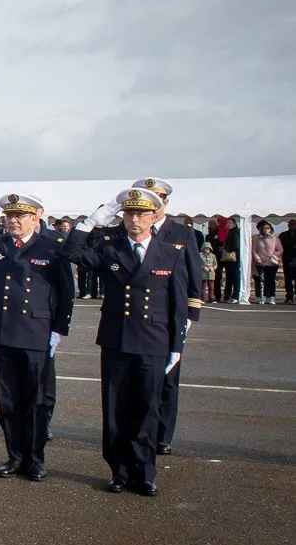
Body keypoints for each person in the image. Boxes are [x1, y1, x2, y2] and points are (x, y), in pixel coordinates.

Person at [63, 188, 190, 496]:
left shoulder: (171, 251)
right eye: (129, 213)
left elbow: (178, 302)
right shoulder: (111, 249)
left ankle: (145, 472)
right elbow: (71, 253)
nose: (135, 219)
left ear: (154, 216)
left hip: (153, 341)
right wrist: (91, 222)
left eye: (141, 214)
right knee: (116, 410)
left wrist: (177, 346)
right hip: (117, 340)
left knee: (147, 409)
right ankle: (118, 471)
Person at [0, 194, 74, 482]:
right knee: (7, 400)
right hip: (3, 329)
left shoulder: (51, 246)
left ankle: (35, 459)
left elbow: (66, 291)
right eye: (9, 216)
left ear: (36, 218)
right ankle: (14, 456)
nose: (14, 221)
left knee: (35, 399)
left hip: (35, 332)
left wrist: (59, 328)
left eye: (21, 216)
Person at [133, 179, 205, 455]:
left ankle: (162, 434)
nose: (156, 204)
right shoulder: (131, 228)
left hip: (170, 314)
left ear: (165, 203)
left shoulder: (181, 233)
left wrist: (190, 314)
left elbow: (193, 272)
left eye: (159, 200)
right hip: (138, 317)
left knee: (168, 378)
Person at [252, 220, 281, 304]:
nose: (266, 230)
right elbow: (254, 250)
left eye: (268, 228)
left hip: (272, 263)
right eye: (264, 228)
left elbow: (280, 250)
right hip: (261, 263)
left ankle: (272, 297)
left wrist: (273, 255)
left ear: (271, 229)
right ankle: (263, 297)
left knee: (271, 280)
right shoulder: (257, 238)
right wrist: (258, 259)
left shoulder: (275, 238)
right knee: (262, 280)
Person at [281, 221, 296, 305]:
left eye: (294, 224)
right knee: (288, 279)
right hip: (287, 258)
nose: (292, 226)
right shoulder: (283, 235)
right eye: (291, 224)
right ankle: (289, 297)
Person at [199, 239, 218, 304]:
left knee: (211, 287)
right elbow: (198, 263)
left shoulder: (213, 256)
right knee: (203, 286)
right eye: (206, 248)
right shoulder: (200, 255)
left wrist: (213, 268)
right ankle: (204, 298)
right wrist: (203, 267)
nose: (207, 250)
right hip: (203, 273)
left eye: (208, 248)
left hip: (211, 273)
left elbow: (215, 264)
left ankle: (212, 298)